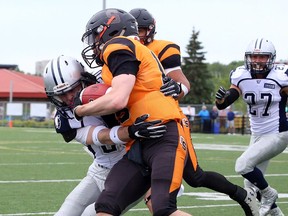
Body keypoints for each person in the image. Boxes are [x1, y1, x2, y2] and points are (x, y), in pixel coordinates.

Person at [129, 8, 259, 216]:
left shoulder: (162, 48)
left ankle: (242, 195)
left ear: (151, 30)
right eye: (133, 30)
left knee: (195, 177)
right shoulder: (121, 51)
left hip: (167, 121)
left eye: (141, 30)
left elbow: (181, 81)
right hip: (135, 124)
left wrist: (179, 89)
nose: (137, 35)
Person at [75, 8, 191, 216]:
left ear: (109, 31)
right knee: (106, 206)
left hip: (162, 135)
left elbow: (118, 100)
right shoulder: (120, 56)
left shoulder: (118, 45)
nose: (93, 45)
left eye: (95, 37)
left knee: (162, 208)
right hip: (140, 142)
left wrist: (81, 109)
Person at [43, 55, 167, 216]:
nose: (68, 98)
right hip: (100, 170)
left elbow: (142, 79)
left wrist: (168, 82)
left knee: (90, 214)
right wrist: (130, 131)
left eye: (72, 90)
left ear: (84, 81)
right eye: (62, 94)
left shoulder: (108, 85)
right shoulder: (64, 119)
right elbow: (101, 136)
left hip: (132, 170)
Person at [215, 38, 288, 216]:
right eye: (254, 56)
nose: (257, 60)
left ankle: (270, 193)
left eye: (262, 57)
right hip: (257, 134)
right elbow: (224, 104)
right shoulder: (241, 75)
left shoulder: (281, 76)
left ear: (271, 58)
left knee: (242, 165)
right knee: (251, 187)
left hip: (277, 133)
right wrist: (221, 99)